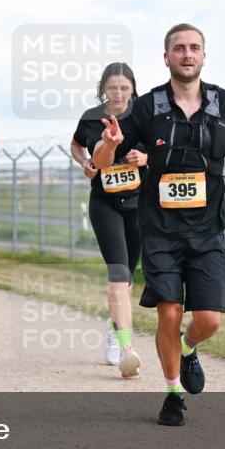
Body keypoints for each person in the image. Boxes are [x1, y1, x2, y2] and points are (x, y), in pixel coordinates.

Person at [93, 23, 225, 427]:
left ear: (204, 56)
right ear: (167, 57)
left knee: (210, 319)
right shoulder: (148, 106)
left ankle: (190, 349)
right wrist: (110, 144)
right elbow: (104, 165)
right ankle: (173, 392)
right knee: (169, 314)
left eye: (193, 48)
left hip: (208, 231)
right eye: (178, 48)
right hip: (159, 230)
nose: (186, 54)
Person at [71, 63, 147, 378]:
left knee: (128, 277)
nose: (118, 93)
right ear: (104, 88)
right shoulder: (91, 117)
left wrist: (146, 158)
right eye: (112, 88)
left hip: (140, 205)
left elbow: (162, 147)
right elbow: (77, 144)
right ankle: (125, 348)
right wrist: (85, 162)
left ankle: (115, 324)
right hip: (105, 203)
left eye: (124, 88)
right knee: (117, 277)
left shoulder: (145, 116)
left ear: (132, 89)